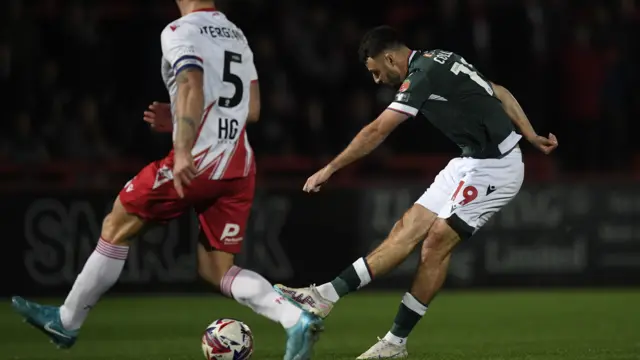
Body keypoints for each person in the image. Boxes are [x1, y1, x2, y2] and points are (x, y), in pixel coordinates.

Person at [11, 2, 323, 359]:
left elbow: (192, 86)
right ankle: (293, 319)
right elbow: (251, 109)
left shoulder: (180, 31)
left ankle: (67, 321)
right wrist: (179, 120)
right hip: (238, 165)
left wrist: (184, 147)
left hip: (198, 161)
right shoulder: (235, 33)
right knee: (215, 268)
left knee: (117, 222)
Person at [274, 25, 558, 359]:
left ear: (391, 58)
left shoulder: (421, 75)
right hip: (468, 162)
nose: (377, 80)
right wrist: (531, 133)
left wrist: (331, 167)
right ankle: (324, 296)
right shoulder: (441, 59)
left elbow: (378, 130)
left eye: (377, 72)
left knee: (435, 241)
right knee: (404, 232)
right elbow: (499, 91)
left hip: (498, 166)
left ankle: (395, 343)